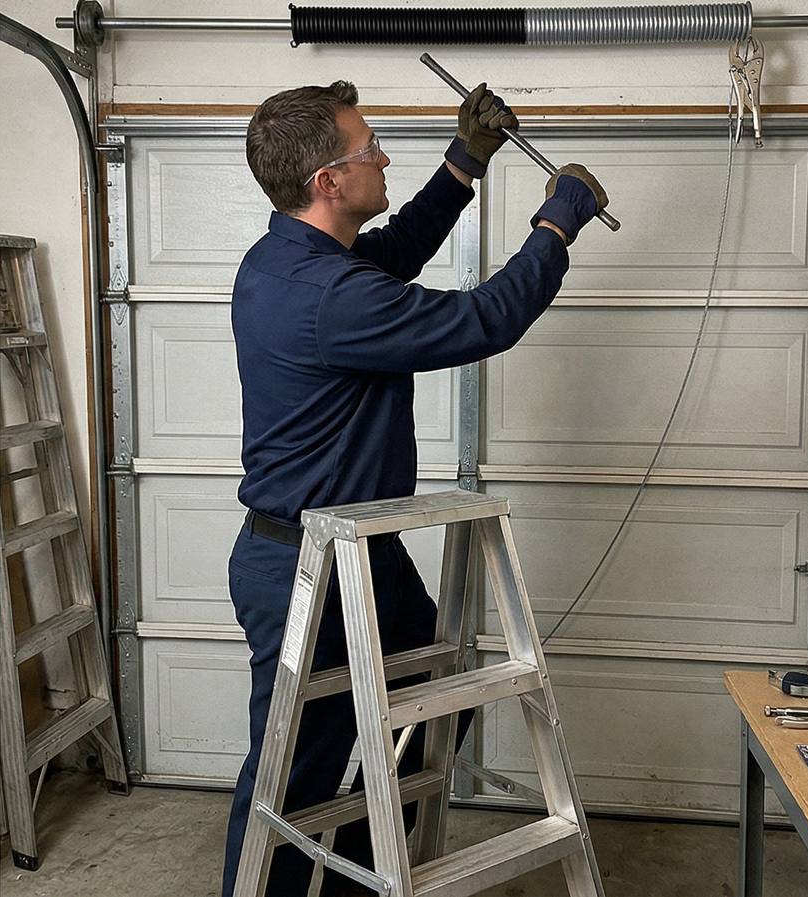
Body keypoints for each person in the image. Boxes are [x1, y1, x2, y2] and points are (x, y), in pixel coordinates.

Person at [222, 78, 608, 897]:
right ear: (328, 180)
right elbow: (483, 320)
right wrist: (554, 225)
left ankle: (362, 877)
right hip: (309, 568)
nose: (383, 156)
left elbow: (393, 252)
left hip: (361, 552)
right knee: (293, 779)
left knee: (434, 703)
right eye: (368, 148)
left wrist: (465, 161)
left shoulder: (292, 260)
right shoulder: (329, 294)